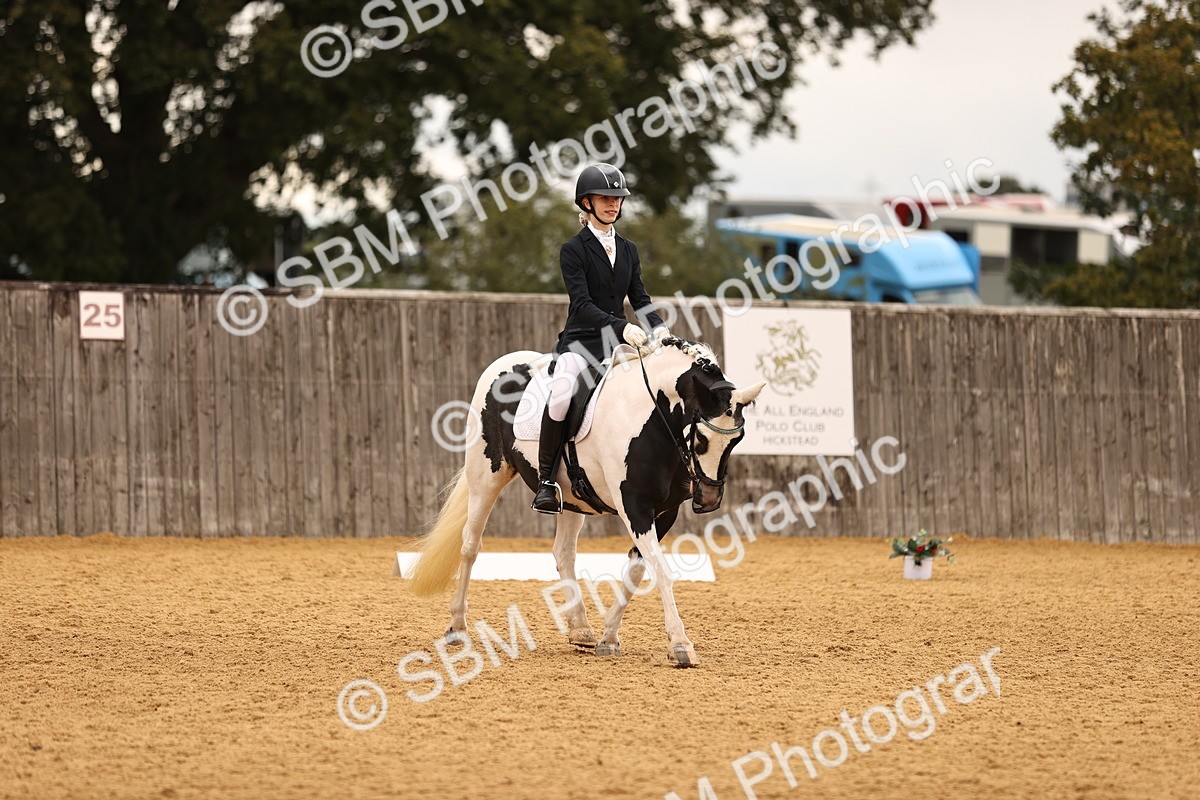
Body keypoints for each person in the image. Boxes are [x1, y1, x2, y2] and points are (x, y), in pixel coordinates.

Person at [531, 163, 670, 514]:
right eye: (605, 198)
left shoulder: (628, 249)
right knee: (562, 393)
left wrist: (658, 327)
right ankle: (546, 481)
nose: (613, 204)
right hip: (581, 341)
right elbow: (582, 304)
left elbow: (639, 297)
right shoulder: (573, 250)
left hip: (618, 344)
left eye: (617, 198)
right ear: (587, 202)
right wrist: (622, 326)